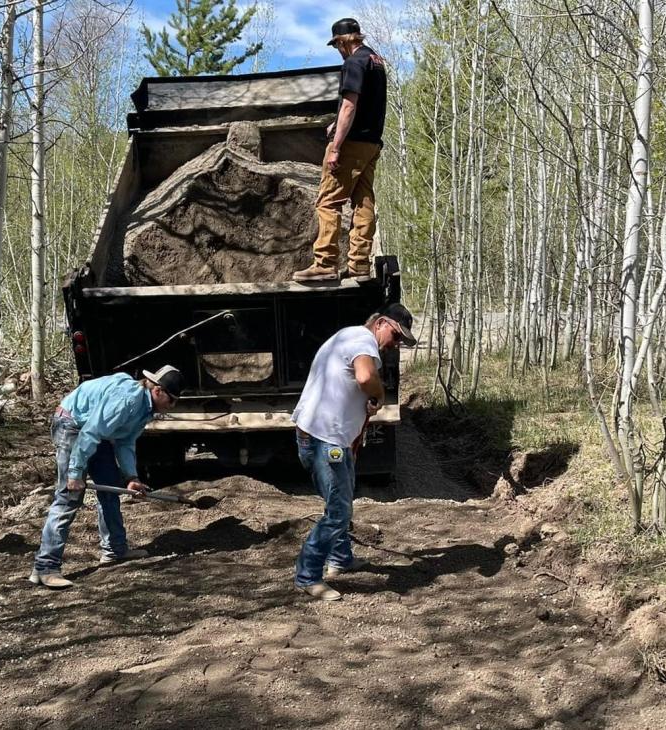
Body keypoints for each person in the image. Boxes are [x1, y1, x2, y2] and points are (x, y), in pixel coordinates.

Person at [291, 303, 416, 601]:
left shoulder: (346, 336)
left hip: (328, 438)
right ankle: (307, 575)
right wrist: (379, 393)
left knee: (342, 498)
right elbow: (364, 378)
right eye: (396, 336)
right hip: (325, 441)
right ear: (381, 323)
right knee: (338, 511)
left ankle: (341, 558)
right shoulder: (363, 342)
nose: (394, 345)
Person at [30, 365, 185, 589]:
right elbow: (90, 432)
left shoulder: (145, 409)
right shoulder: (127, 401)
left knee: (109, 487)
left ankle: (115, 550)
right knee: (69, 497)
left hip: (95, 431)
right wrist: (75, 472)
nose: (173, 406)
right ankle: (45, 567)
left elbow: (125, 441)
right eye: (172, 400)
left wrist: (131, 476)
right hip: (72, 425)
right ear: (158, 391)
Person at [293, 17, 389, 283]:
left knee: (328, 201)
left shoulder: (353, 62)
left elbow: (350, 105)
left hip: (352, 143)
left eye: (337, 44)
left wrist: (336, 147)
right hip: (372, 143)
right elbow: (365, 102)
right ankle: (359, 264)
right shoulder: (375, 61)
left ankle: (324, 262)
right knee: (363, 201)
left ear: (344, 41)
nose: (337, 50)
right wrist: (338, 120)